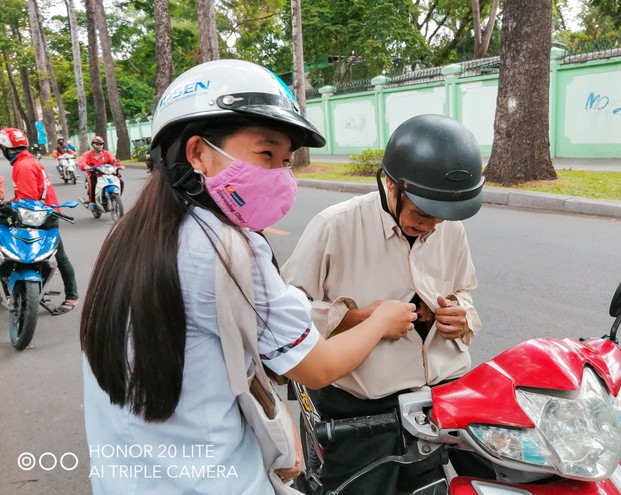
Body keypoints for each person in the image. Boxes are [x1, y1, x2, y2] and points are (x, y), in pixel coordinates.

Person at [80, 59, 417, 495]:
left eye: (284, 160)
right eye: (266, 153)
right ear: (197, 152)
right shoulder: (228, 247)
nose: (280, 174)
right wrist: (381, 321)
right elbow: (317, 368)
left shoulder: (133, 234)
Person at [281, 114, 486, 494]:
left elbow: (464, 290)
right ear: (390, 185)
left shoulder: (450, 229)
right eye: (421, 214)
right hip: (364, 410)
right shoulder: (334, 227)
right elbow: (289, 315)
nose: (430, 227)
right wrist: (358, 319)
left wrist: (461, 316)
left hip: (442, 395)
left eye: (441, 218)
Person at [0, 127, 80, 315]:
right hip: (45, 212)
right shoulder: (27, 161)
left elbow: (28, 200)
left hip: (41, 216)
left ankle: (72, 296)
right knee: (59, 256)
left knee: (58, 256)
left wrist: (9, 207)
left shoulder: (23, 166)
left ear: (6, 148)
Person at [77, 136, 124, 205]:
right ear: (93, 145)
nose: (99, 146)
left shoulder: (106, 153)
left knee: (120, 181)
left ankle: (116, 196)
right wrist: (85, 166)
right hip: (94, 175)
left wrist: (119, 165)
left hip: (107, 173)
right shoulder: (87, 154)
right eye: (97, 144)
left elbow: (114, 160)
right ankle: (92, 202)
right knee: (92, 184)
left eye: (101, 144)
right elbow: (81, 162)